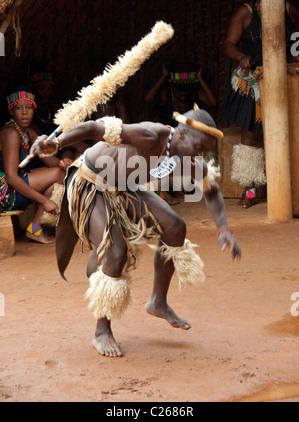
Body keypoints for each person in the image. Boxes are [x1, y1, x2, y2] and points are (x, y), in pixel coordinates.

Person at [31, 108, 241, 357]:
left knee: (175, 227)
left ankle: (157, 301)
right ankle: (101, 331)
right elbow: (92, 128)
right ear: (183, 135)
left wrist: (223, 228)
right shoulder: (150, 135)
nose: (202, 155)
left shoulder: (189, 158)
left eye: (206, 150)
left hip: (126, 188)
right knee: (115, 252)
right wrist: (56, 143)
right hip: (91, 183)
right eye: (200, 147)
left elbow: (211, 187)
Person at [222, 0, 299, 208]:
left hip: (286, 79)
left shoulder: (290, 11)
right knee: (252, 133)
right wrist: (242, 56)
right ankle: (250, 190)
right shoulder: (246, 13)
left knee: (292, 132)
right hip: (254, 81)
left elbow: (297, 39)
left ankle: (293, 188)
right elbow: (227, 44)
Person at [0, 87, 67, 243]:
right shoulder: (11, 133)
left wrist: (62, 162)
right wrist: (44, 201)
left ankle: (34, 230)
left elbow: (48, 159)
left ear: (33, 110)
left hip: (14, 187)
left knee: (55, 180)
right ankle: (35, 229)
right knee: (57, 174)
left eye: (29, 108)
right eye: (19, 108)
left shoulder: (27, 132)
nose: (24, 112)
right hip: (5, 194)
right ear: (11, 111)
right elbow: (10, 177)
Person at [144, 62, 217, 127]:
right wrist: (163, 76)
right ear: (173, 88)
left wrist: (199, 78)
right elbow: (147, 99)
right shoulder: (166, 94)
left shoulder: (194, 93)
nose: (182, 98)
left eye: (185, 95)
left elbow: (212, 102)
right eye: (179, 94)